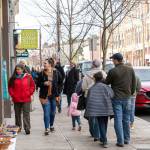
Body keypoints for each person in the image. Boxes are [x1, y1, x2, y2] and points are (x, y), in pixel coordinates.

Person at [105, 53, 136, 147]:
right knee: (126, 120)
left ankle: (120, 141)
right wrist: (130, 93)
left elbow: (107, 82)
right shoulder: (130, 70)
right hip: (127, 98)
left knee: (118, 120)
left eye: (113, 60)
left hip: (117, 98)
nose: (112, 61)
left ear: (116, 60)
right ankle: (126, 139)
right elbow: (134, 84)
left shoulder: (112, 71)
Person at [85, 72, 114, 148]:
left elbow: (89, 99)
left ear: (94, 79)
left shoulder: (92, 88)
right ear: (101, 78)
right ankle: (102, 139)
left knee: (101, 123)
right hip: (106, 108)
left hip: (97, 109)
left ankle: (104, 141)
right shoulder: (106, 87)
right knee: (104, 123)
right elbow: (112, 95)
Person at [82, 59, 107, 141]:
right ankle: (99, 134)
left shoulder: (87, 75)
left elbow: (83, 88)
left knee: (91, 115)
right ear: (99, 65)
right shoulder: (104, 74)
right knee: (100, 115)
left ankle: (93, 132)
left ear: (92, 65)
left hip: (89, 97)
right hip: (101, 97)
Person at [8, 64, 35, 135]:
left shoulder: (28, 77)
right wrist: (13, 95)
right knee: (17, 114)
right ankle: (18, 127)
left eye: (19, 69)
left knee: (26, 114)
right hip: (16, 99)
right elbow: (10, 87)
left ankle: (27, 128)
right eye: (16, 69)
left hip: (26, 98)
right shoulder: (13, 78)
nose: (18, 71)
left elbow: (32, 86)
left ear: (23, 69)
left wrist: (29, 93)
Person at [37, 58, 60, 135]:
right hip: (44, 96)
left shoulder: (56, 72)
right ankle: (46, 128)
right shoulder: (41, 73)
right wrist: (44, 83)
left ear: (50, 64)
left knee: (53, 113)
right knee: (46, 112)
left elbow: (60, 82)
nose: (44, 65)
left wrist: (58, 93)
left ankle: (51, 125)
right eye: (44, 63)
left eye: (45, 63)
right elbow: (37, 84)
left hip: (53, 96)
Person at [126, 63, 141, 129]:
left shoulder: (124, 76)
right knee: (132, 109)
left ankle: (127, 122)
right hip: (133, 95)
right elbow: (139, 86)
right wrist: (136, 92)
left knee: (126, 109)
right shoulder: (136, 76)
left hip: (126, 95)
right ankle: (131, 123)